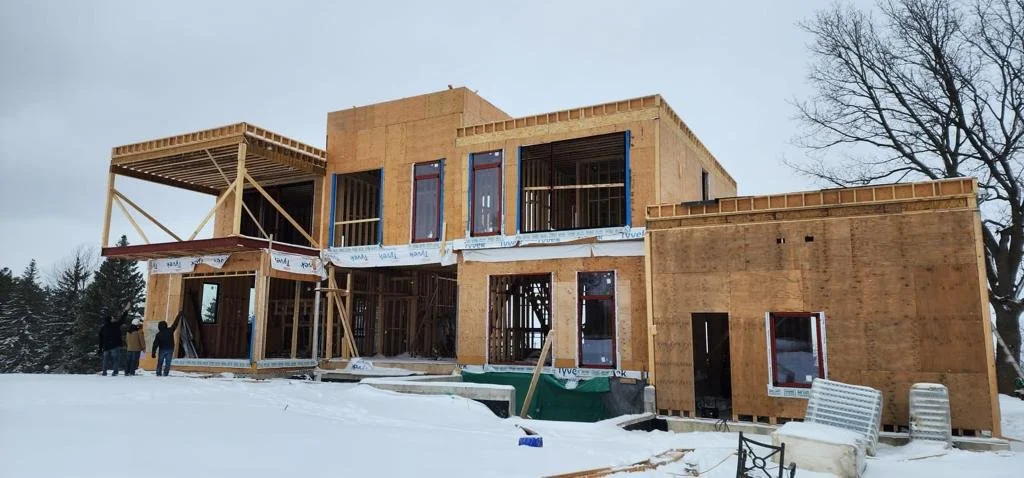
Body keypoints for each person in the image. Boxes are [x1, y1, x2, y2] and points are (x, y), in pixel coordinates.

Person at [98, 304, 130, 376]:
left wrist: (100, 349)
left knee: (105, 361)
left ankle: (104, 372)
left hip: (106, 347)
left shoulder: (103, 328)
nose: (114, 319)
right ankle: (115, 372)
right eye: (112, 318)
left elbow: (100, 339)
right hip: (115, 346)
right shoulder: (115, 325)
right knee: (116, 360)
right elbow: (122, 319)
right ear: (110, 320)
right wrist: (126, 311)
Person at [152, 311, 182, 377]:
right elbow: (175, 324)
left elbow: (155, 344)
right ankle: (166, 373)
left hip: (162, 350)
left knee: (160, 362)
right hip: (170, 349)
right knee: (168, 362)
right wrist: (179, 315)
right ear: (166, 325)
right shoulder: (170, 331)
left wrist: (153, 353)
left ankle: (158, 372)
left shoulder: (158, 334)